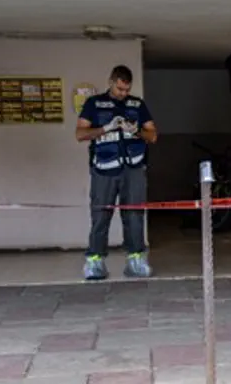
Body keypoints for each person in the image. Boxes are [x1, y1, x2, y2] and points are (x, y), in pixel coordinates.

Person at [75, 65, 158, 280]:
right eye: (120, 88)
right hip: (104, 169)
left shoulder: (137, 104)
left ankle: (136, 260)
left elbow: (153, 135)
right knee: (101, 215)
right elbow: (80, 133)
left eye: (126, 89)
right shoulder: (94, 104)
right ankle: (95, 262)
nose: (123, 93)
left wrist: (137, 131)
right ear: (111, 82)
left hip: (133, 168)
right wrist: (106, 128)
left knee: (135, 215)